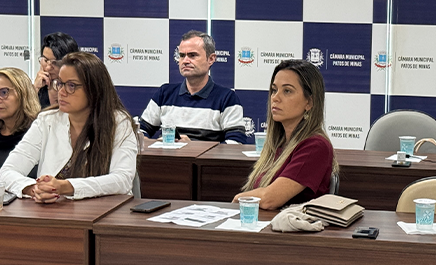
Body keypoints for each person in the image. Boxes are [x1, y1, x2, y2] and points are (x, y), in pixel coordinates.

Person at [0, 52, 137, 202]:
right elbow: (7, 171)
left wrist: (67, 187)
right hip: (54, 212)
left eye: (71, 85)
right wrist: (34, 189)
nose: (61, 92)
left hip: (105, 212)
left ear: (94, 89)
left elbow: (122, 180)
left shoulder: (119, 123)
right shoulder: (47, 120)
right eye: (59, 83)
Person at [233, 59, 338, 210]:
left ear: (309, 102)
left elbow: (269, 200)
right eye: (274, 90)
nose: (275, 98)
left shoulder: (316, 146)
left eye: (287, 91)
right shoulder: (280, 143)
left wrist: (238, 198)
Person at [140, 30, 246, 143]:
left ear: (211, 59)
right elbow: (139, 132)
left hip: (205, 156)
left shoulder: (227, 98)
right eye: (182, 55)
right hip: (167, 155)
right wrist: (157, 145)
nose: (185, 61)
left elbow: (236, 142)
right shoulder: (164, 93)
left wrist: (192, 148)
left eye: (192, 55)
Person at [33, 32, 79, 108]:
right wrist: (35, 89)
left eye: (55, 63)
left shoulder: (79, 90)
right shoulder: (38, 88)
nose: (48, 68)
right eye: (45, 60)